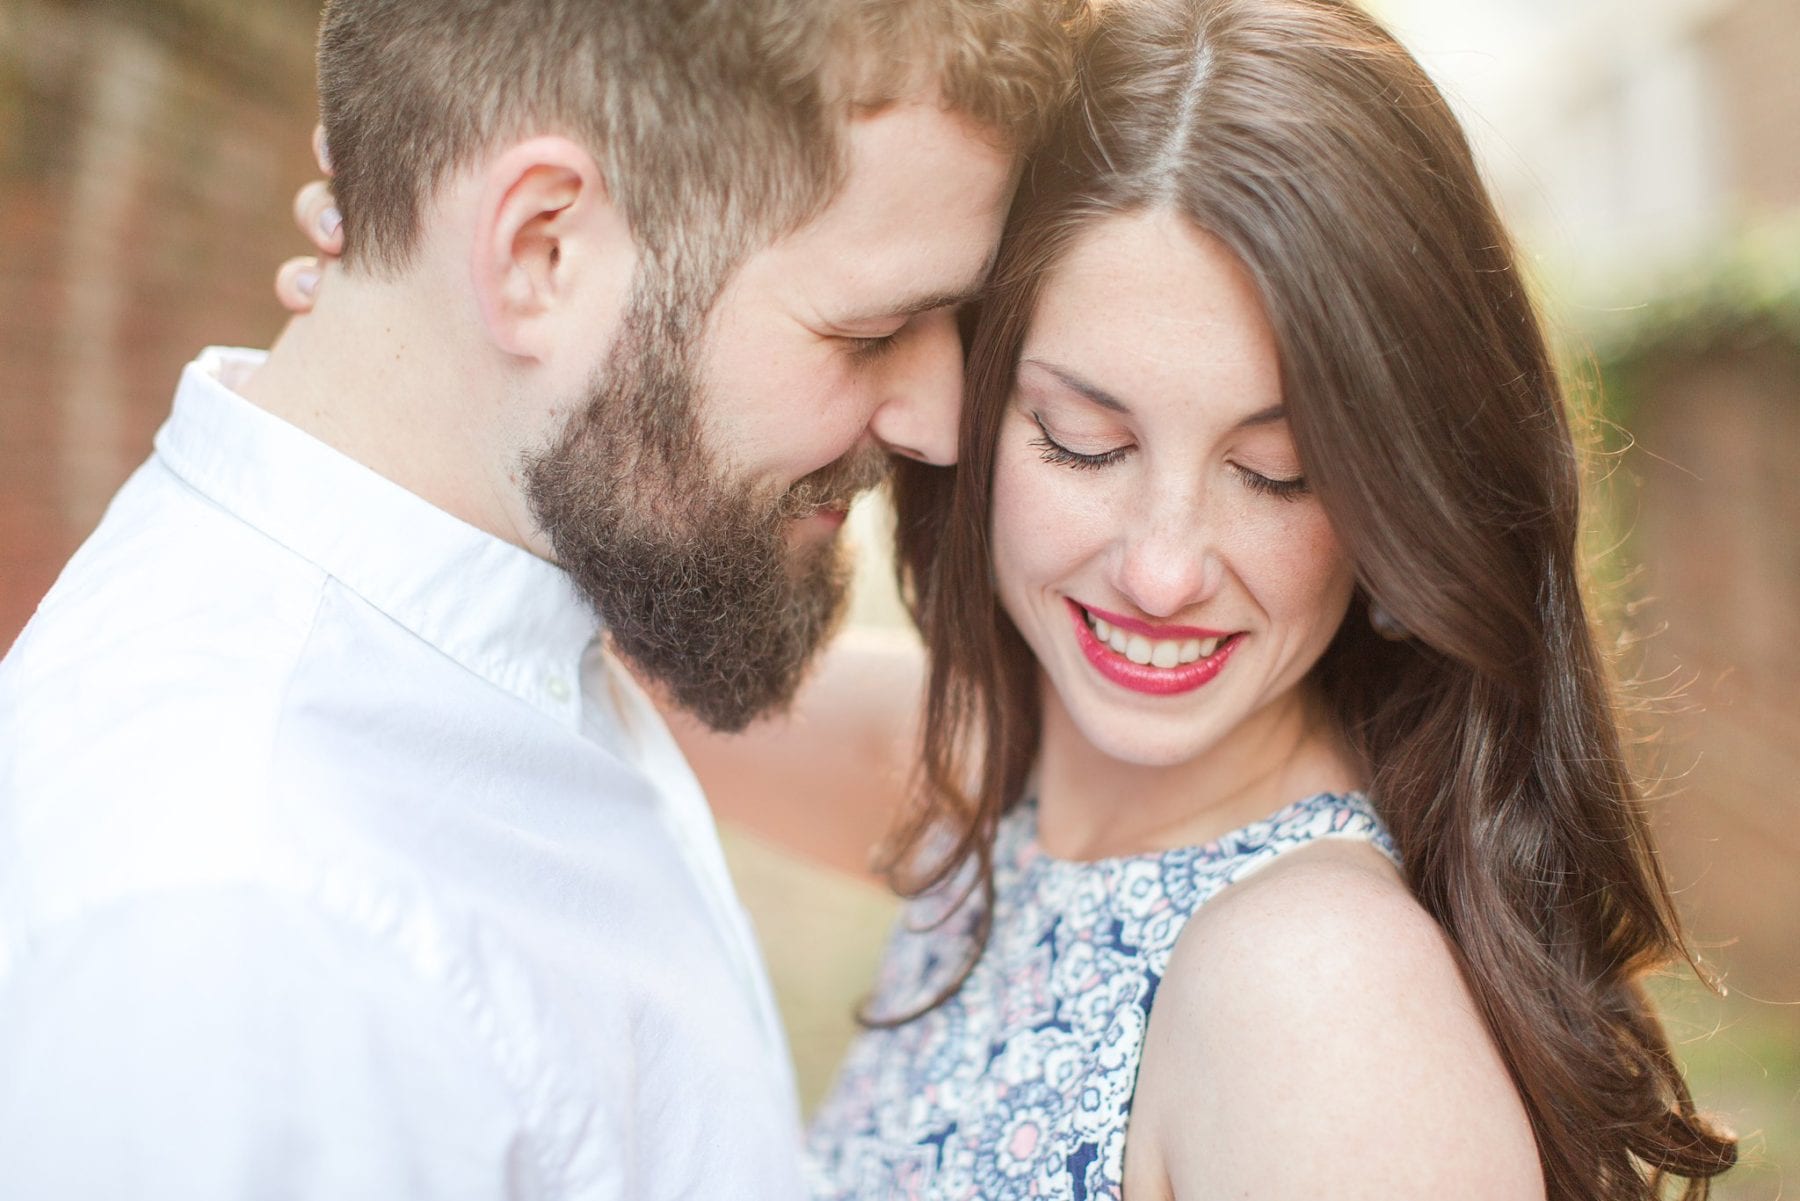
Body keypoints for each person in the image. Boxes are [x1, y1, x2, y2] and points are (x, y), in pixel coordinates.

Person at [274, 1, 1738, 1198]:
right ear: (956, 402)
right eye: (1083, 442)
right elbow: (629, 625)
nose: (1164, 566)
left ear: (1401, 500)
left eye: (1278, 475)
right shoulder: (1009, 784)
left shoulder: (1319, 1002)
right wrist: (446, 326)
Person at [0, 1, 1076, 1195]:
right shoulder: (246, 934)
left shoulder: (530, 591)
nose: (936, 421)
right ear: (540, 250)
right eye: (871, 328)